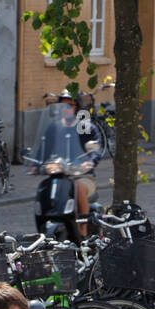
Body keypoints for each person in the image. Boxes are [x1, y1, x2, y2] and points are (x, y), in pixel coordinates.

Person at [29, 91, 103, 237]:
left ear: (76, 107)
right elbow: (44, 148)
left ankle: (83, 230)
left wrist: (90, 161)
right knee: (44, 187)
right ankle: (43, 228)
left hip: (82, 175)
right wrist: (36, 163)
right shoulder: (54, 128)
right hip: (60, 174)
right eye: (61, 106)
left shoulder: (85, 128)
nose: (65, 109)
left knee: (78, 187)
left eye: (69, 105)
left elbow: (95, 147)